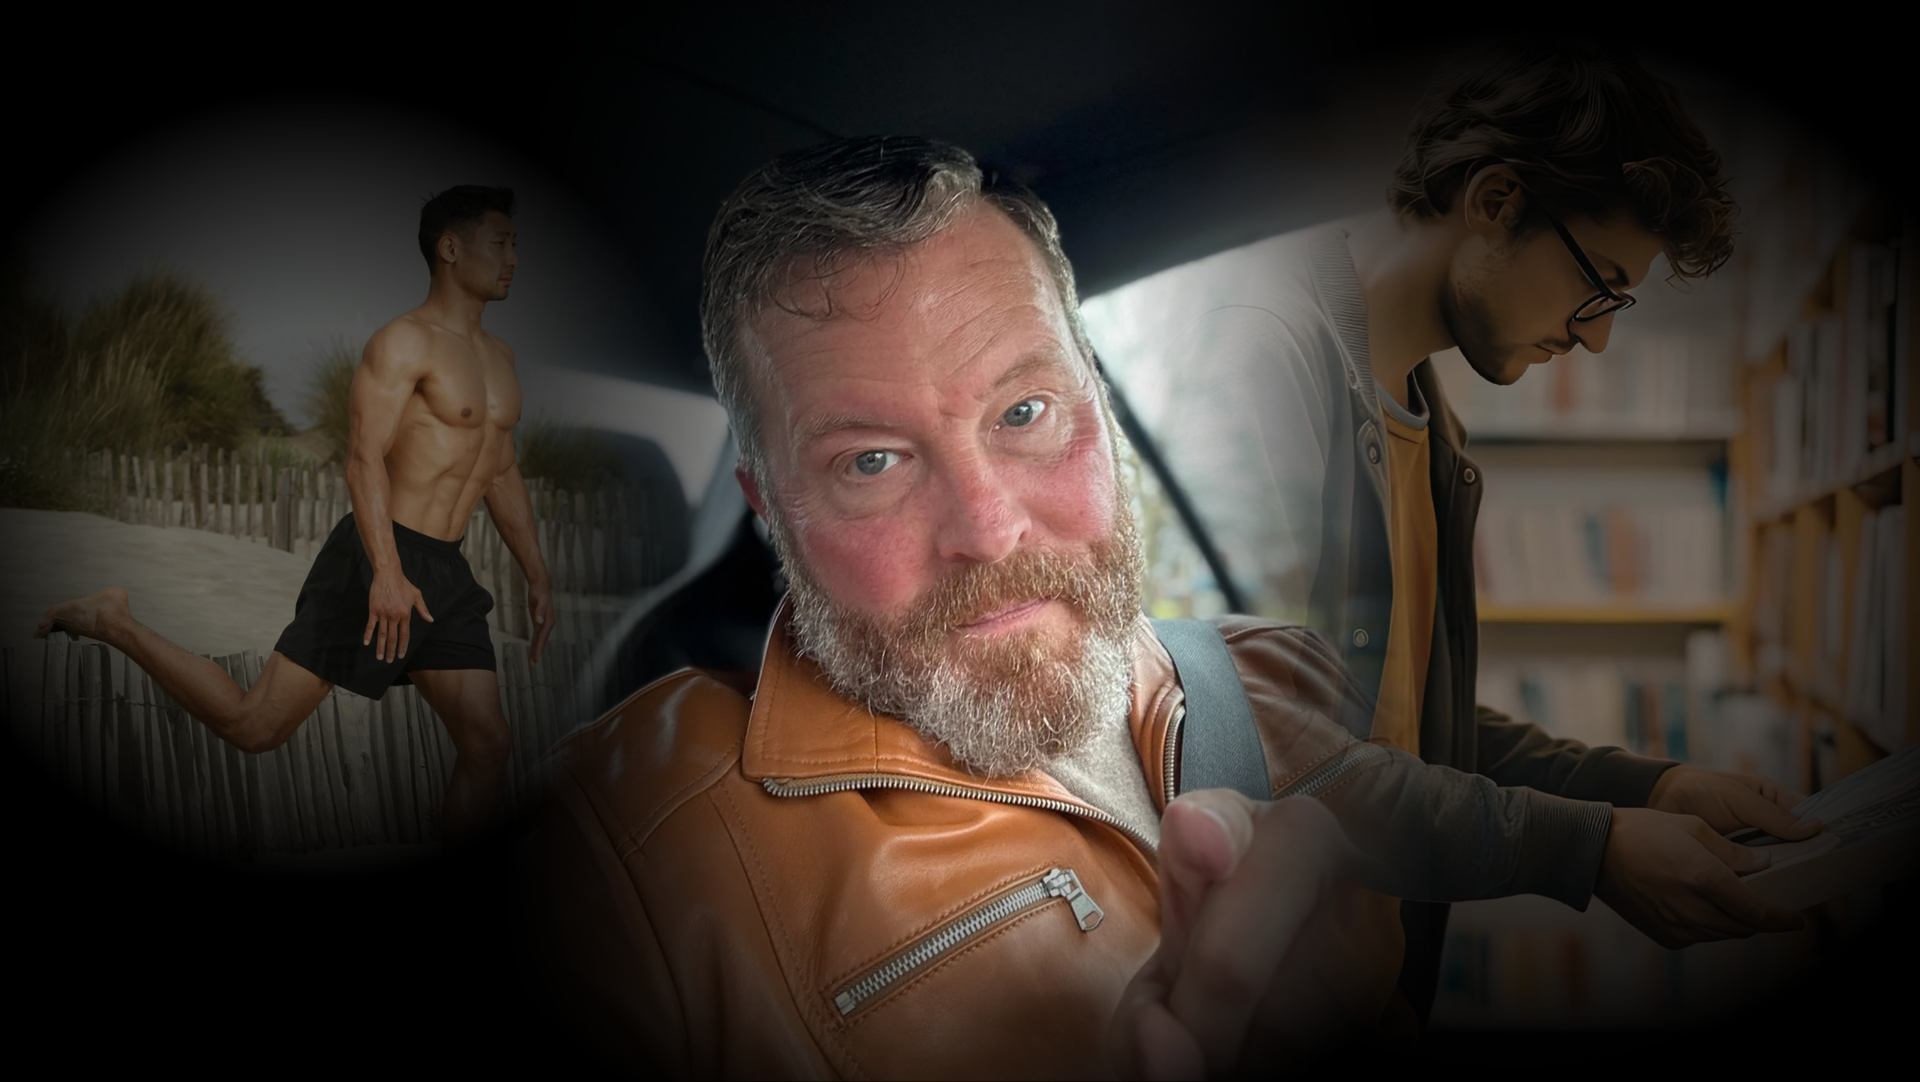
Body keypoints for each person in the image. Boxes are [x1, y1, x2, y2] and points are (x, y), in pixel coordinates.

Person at [515, 136, 1804, 1077]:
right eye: (870, 460)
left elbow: (1433, 764)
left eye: (1025, 414)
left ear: (1097, 402)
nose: (991, 529)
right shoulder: (630, 850)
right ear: (767, 503)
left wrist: (1625, 815)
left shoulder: (1265, 675)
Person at [1123, 39, 1823, 1021]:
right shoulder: (1262, 347)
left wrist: (1650, 785)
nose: (1598, 335)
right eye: (1602, 285)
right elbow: (1276, 743)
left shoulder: (1428, 418)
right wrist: (1593, 847)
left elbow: (1412, 731)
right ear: (1495, 200)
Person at [35, 184, 554, 847]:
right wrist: (387, 574)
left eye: (516, 244)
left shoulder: (501, 359)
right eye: (500, 242)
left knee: (488, 744)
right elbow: (363, 461)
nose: (514, 257)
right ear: (451, 249)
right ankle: (113, 619)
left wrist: (536, 573)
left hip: (446, 570)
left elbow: (500, 470)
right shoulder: (402, 343)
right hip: (377, 556)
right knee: (256, 727)